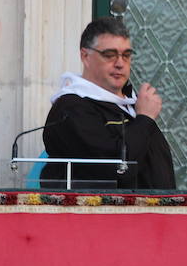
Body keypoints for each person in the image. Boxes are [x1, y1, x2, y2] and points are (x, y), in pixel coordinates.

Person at [42, 17, 175, 190]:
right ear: (85, 56)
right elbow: (117, 168)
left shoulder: (132, 104)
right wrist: (144, 119)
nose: (120, 63)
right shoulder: (72, 107)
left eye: (126, 55)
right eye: (109, 55)